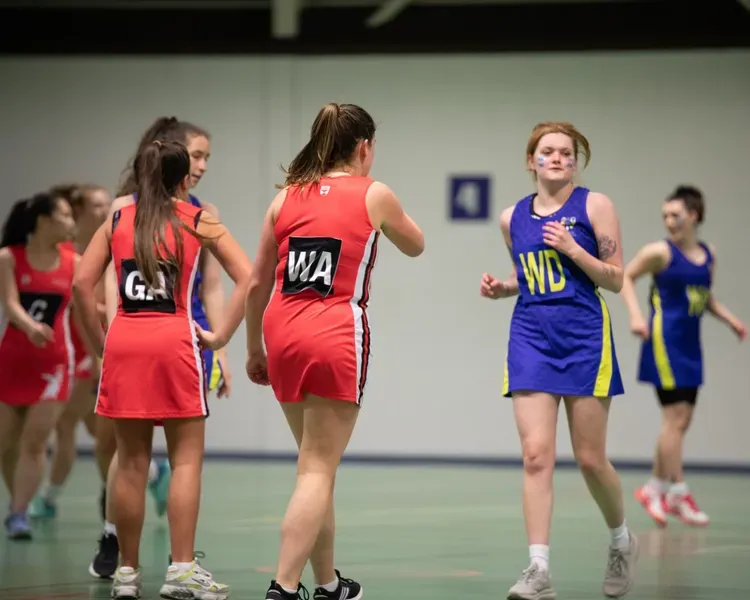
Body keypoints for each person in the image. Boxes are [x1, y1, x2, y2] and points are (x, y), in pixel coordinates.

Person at [244, 102, 424, 600]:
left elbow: (258, 281)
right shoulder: (375, 193)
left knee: (313, 467)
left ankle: (328, 584)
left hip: (281, 331)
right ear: (364, 147)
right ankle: (283, 586)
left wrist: (252, 347)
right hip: (334, 331)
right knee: (318, 469)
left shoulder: (286, 198)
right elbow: (417, 244)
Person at [72, 139, 252, 599]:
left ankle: (127, 576)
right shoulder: (195, 218)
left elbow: (80, 283)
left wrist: (100, 345)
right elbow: (248, 277)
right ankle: (181, 571)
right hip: (174, 341)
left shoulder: (117, 217)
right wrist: (221, 336)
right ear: (180, 176)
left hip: (126, 342)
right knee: (185, 461)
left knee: (129, 463)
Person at [480, 122, 638, 599]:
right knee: (535, 457)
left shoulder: (595, 206)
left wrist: (574, 250)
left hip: (585, 337)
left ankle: (621, 540)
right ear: (531, 160)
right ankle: (538, 569)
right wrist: (502, 288)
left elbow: (614, 278)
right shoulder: (512, 218)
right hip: (530, 336)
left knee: (590, 459)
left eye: (565, 153)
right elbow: (527, 275)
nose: (555, 158)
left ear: (575, 162)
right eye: (546, 151)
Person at [620, 185, 746, 528]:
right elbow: (626, 277)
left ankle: (654, 488)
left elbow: (705, 297)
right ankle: (677, 491)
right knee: (674, 421)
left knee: (681, 423)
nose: (669, 221)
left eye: (675, 215)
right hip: (664, 342)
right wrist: (635, 316)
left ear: (694, 215)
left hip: (691, 344)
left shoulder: (708, 254)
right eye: (665, 216)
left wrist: (732, 320)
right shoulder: (658, 252)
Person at [29, 183, 113, 521]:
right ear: (77, 212)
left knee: (68, 423)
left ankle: (49, 497)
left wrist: (98, 357)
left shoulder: (110, 247)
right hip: (67, 345)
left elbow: (104, 305)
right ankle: (152, 473)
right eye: (96, 204)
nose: (103, 210)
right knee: (96, 430)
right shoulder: (65, 252)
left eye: (107, 203)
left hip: (92, 348)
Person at [0, 191, 77, 539]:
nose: (71, 223)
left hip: (54, 364)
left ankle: (19, 513)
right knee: (7, 443)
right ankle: (18, 499)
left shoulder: (73, 261)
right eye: (65, 215)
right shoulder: (9, 258)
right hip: (14, 359)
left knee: (35, 441)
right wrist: (30, 328)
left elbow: (87, 309)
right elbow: (11, 304)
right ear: (44, 220)